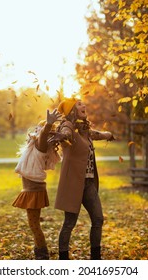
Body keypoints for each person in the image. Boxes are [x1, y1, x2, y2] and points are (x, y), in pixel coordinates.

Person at [49, 98, 114, 260]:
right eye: (79, 104)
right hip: (73, 184)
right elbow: (66, 134)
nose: (84, 105)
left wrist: (109, 134)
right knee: (69, 224)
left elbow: (96, 134)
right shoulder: (68, 126)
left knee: (98, 218)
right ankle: (63, 259)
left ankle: (96, 258)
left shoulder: (84, 128)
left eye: (83, 103)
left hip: (88, 183)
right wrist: (60, 136)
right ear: (72, 110)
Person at [12, 109, 61, 260]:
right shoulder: (34, 147)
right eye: (36, 128)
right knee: (33, 224)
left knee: (34, 225)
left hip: (33, 191)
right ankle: (39, 250)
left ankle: (42, 253)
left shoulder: (41, 145)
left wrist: (49, 124)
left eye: (38, 129)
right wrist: (47, 126)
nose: (35, 131)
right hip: (31, 189)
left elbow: (44, 135)